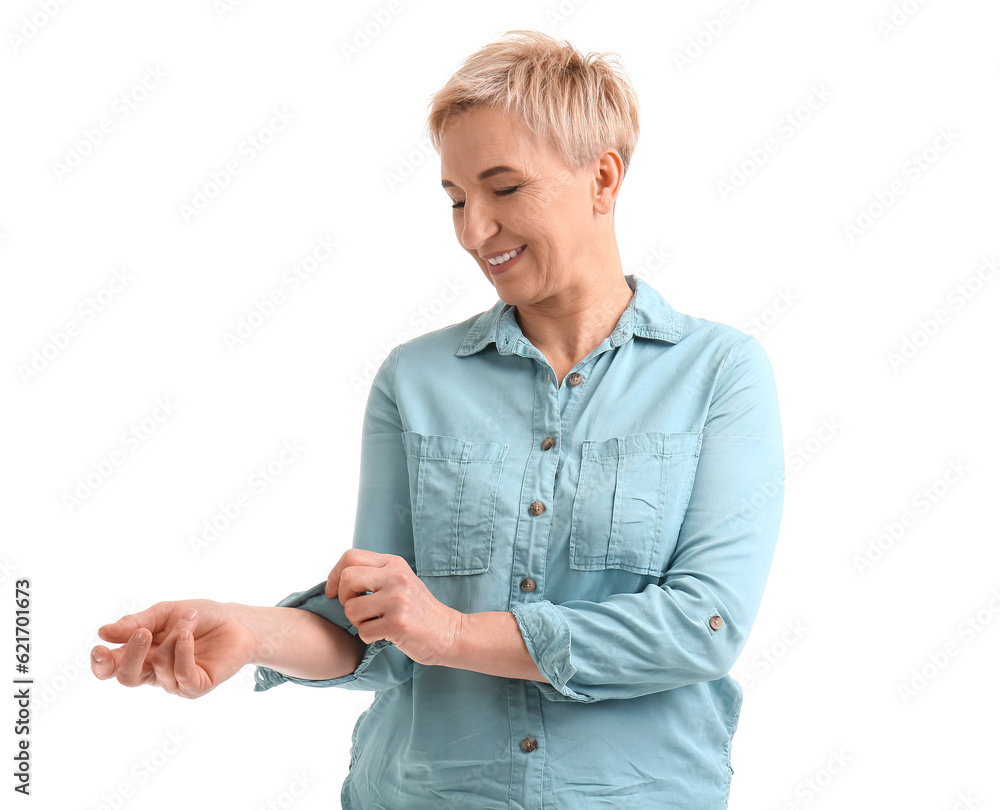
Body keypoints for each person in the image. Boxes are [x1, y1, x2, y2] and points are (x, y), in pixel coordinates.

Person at [91, 30, 784, 809]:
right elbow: (384, 632)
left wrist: (452, 632)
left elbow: (705, 625)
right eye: (457, 199)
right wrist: (250, 630)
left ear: (604, 177)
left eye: (505, 189)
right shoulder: (414, 379)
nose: (474, 230)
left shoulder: (719, 373)